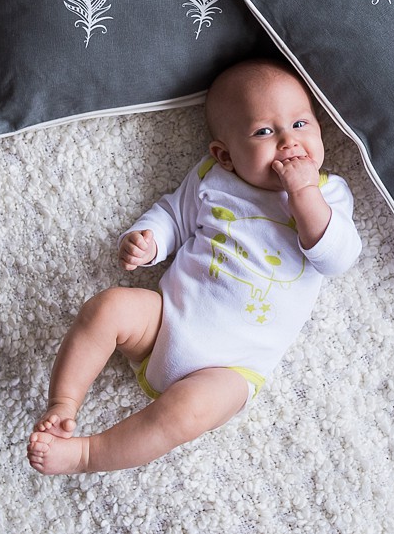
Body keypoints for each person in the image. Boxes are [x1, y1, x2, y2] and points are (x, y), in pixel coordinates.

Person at [27, 58, 362, 474]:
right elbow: (173, 215)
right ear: (225, 155)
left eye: (300, 124)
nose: (288, 142)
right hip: (165, 321)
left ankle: (86, 454)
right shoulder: (214, 180)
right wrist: (148, 241)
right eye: (263, 131)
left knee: (183, 415)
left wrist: (305, 194)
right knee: (108, 306)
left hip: (231, 369)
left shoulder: (330, 195)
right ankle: (63, 405)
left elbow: (337, 257)